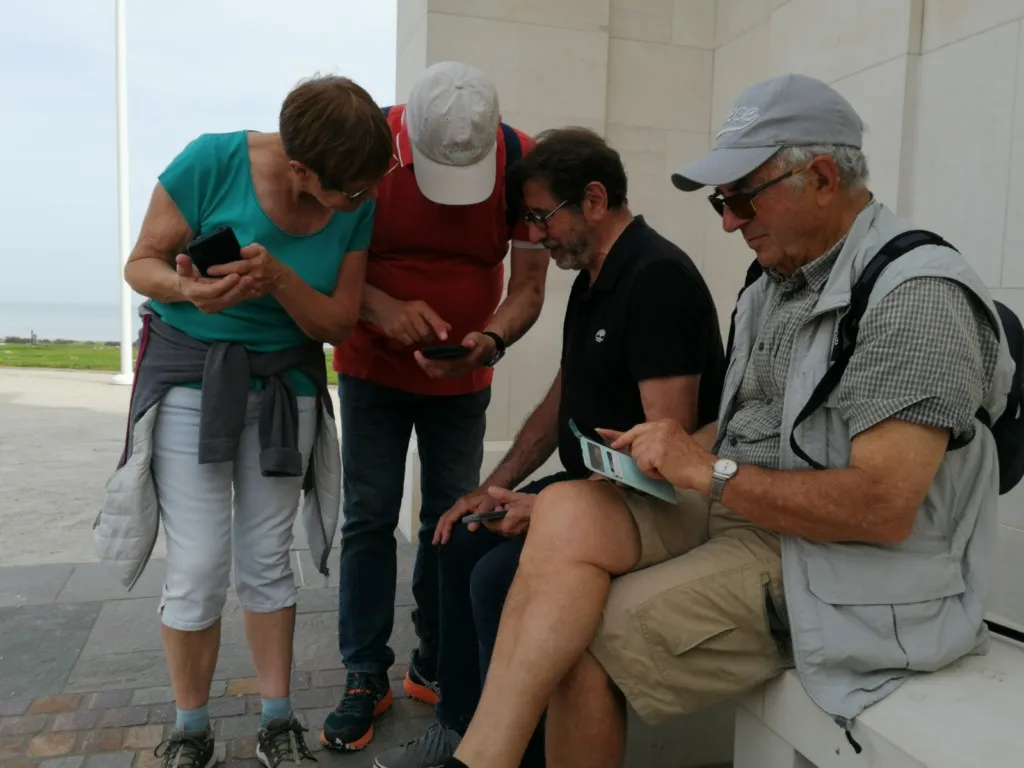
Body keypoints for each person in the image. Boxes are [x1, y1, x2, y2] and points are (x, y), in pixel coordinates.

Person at [437, 73, 1015, 768]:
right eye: (721, 201)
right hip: (750, 510)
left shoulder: (916, 297)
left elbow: (884, 509)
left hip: (847, 564)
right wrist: (665, 452)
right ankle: (481, 758)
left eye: (741, 198)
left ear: (822, 177)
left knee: (583, 634)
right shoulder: (775, 279)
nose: (728, 223)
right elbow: (743, 433)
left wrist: (705, 468)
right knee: (564, 509)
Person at [371, 126, 726, 768]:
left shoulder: (657, 280)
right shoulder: (592, 279)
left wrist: (553, 513)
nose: (536, 235)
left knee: (495, 579)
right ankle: (459, 731)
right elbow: (565, 396)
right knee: (457, 536)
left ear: (594, 200)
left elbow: (665, 455)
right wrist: (495, 486)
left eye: (542, 216)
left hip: (650, 504)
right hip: (587, 488)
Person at [95, 75, 393, 768]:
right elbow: (141, 265)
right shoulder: (211, 161)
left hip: (286, 387)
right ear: (300, 169)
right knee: (198, 564)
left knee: (266, 560)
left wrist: (279, 279)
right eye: (352, 192)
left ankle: (276, 721)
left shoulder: (356, 202)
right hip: (192, 378)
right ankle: (190, 729)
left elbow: (337, 322)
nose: (363, 201)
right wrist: (189, 288)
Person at [321, 61, 551, 752]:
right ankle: (365, 672)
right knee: (368, 514)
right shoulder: (367, 145)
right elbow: (324, 267)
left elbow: (529, 286)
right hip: (371, 368)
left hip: (463, 376)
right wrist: (382, 309)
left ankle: (435, 659)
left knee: (451, 518)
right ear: (409, 137)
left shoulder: (518, 158)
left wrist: (490, 340)